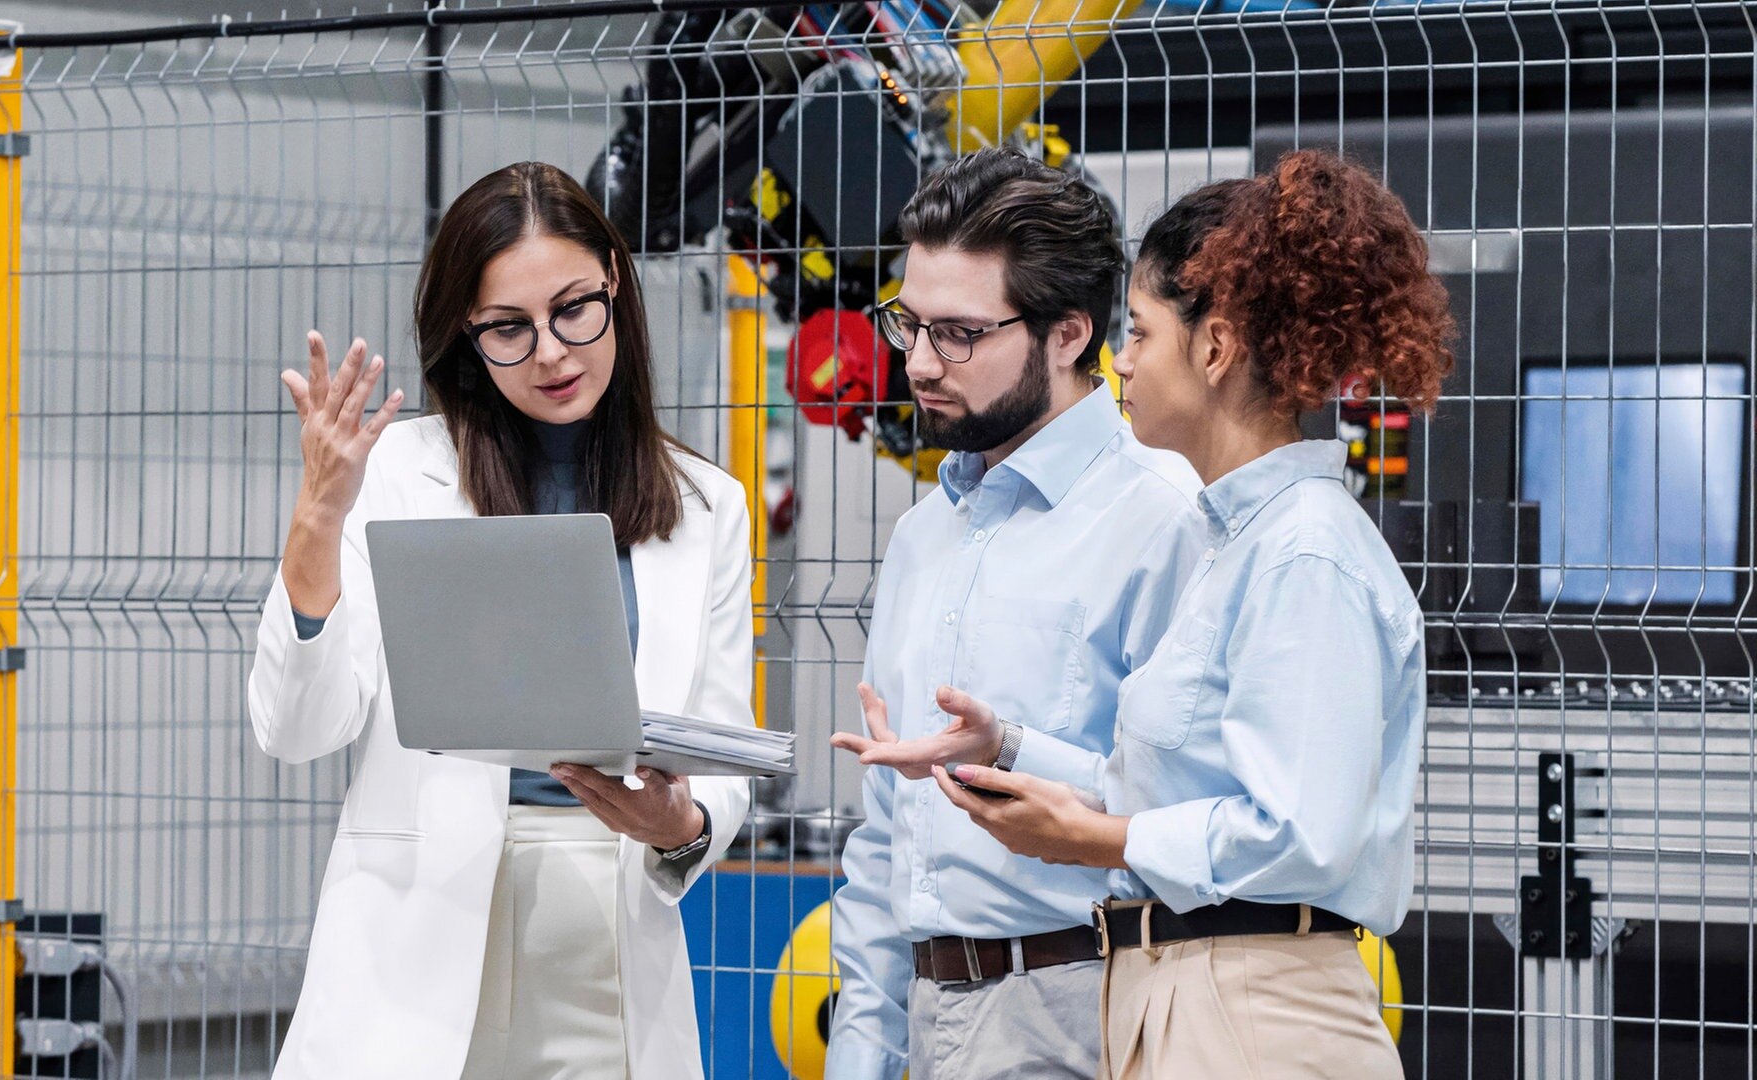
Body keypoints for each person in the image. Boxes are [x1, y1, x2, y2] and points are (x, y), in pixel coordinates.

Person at [867, 149, 1454, 1078]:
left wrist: (1098, 839)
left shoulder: (1302, 551)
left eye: (1137, 334)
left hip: (1256, 1011)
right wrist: (1009, 747)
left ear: (1214, 349)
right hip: (1196, 996)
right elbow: (1184, 790)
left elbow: (1300, 833)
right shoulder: (1242, 542)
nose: (1122, 361)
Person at [246, 161, 754, 1080]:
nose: (553, 353)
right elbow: (295, 728)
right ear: (467, 339)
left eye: (573, 310)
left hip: (610, 929)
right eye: (508, 330)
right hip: (417, 937)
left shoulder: (709, 506)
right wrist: (317, 517)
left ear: (615, 282)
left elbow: (722, 754)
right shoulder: (393, 472)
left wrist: (679, 822)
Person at [823, 147, 1207, 1080]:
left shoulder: (1166, 518)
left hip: (1091, 1008)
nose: (917, 362)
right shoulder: (924, 537)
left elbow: (1197, 813)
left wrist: (1014, 749)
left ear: (1069, 333)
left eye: (957, 334)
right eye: (908, 323)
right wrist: (860, 1051)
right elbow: (885, 842)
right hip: (923, 1011)